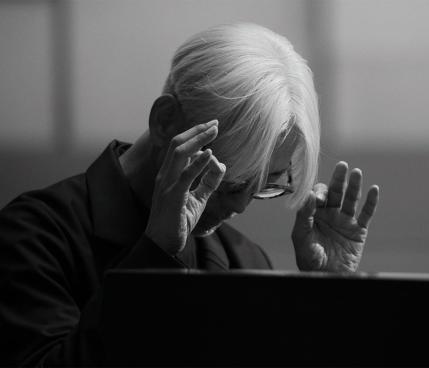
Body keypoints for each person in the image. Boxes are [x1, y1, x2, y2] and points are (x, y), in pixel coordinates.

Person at [0, 23, 379, 366]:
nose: (240, 206)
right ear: (166, 121)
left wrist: (330, 301)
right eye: (227, 183)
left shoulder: (242, 260)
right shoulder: (35, 237)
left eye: (266, 185)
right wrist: (155, 256)